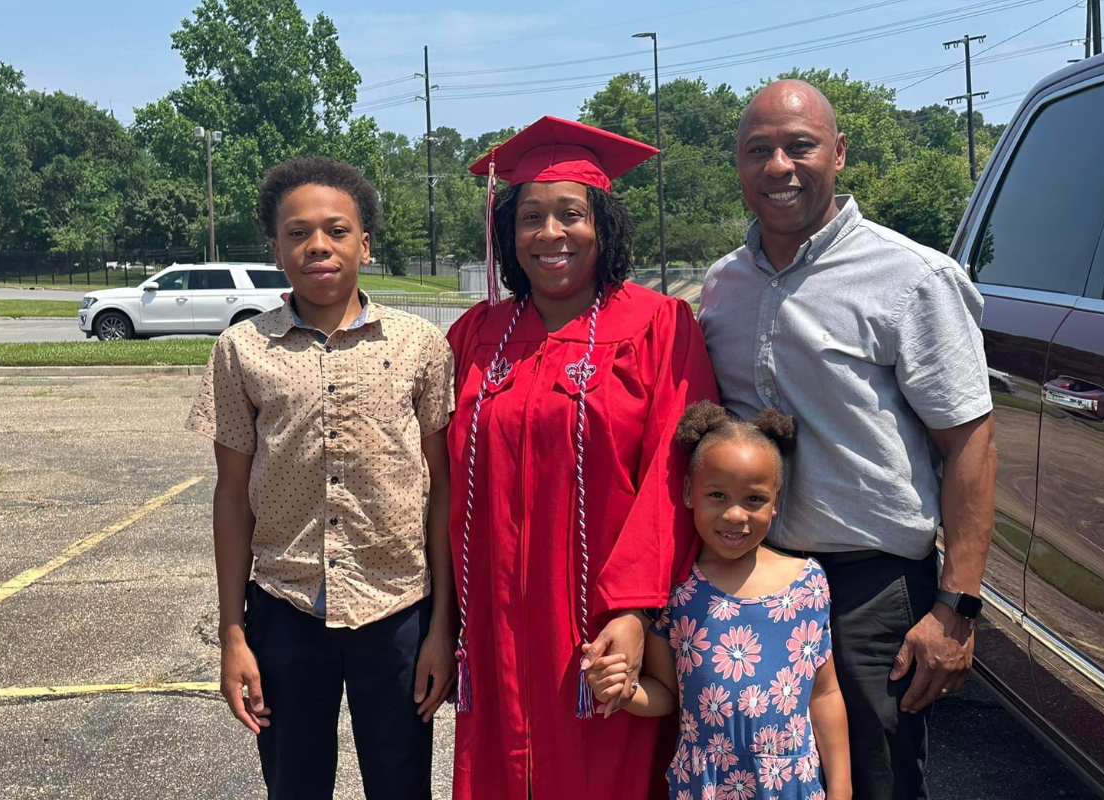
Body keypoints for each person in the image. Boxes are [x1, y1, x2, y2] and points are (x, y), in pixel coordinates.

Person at [697, 81, 997, 800]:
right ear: (737, 166)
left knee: (874, 778)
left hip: (870, 591)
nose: (779, 166)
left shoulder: (912, 278)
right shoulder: (720, 287)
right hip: (754, 579)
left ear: (838, 151)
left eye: (799, 145)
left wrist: (956, 607)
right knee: (753, 774)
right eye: (757, 150)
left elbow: (971, 444)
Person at [446, 116, 719, 800]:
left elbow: (676, 473)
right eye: (531, 216)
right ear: (509, 234)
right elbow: (435, 474)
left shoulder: (658, 326)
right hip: (492, 617)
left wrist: (633, 612)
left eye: (571, 213)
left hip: (602, 615)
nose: (550, 233)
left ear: (603, 226)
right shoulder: (476, 334)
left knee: (606, 768)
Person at [185, 156, 456, 800]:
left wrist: (444, 625)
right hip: (284, 608)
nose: (318, 246)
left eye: (336, 230)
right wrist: (233, 635)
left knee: (401, 782)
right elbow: (231, 497)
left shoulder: (420, 345)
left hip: (398, 611)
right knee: (294, 782)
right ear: (275, 248)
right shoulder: (243, 349)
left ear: (365, 242)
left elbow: (441, 489)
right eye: (298, 232)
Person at [588, 401, 852, 800]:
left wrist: (842, 788)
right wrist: (624, 692)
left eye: (753, 499)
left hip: (790, 785)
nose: (734, 514)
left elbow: (824, 693)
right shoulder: (678, 592)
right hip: (705, 785)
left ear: (776, 499)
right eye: (717, 494)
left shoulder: (808, 586)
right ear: (688, 493)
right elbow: (667, 693)